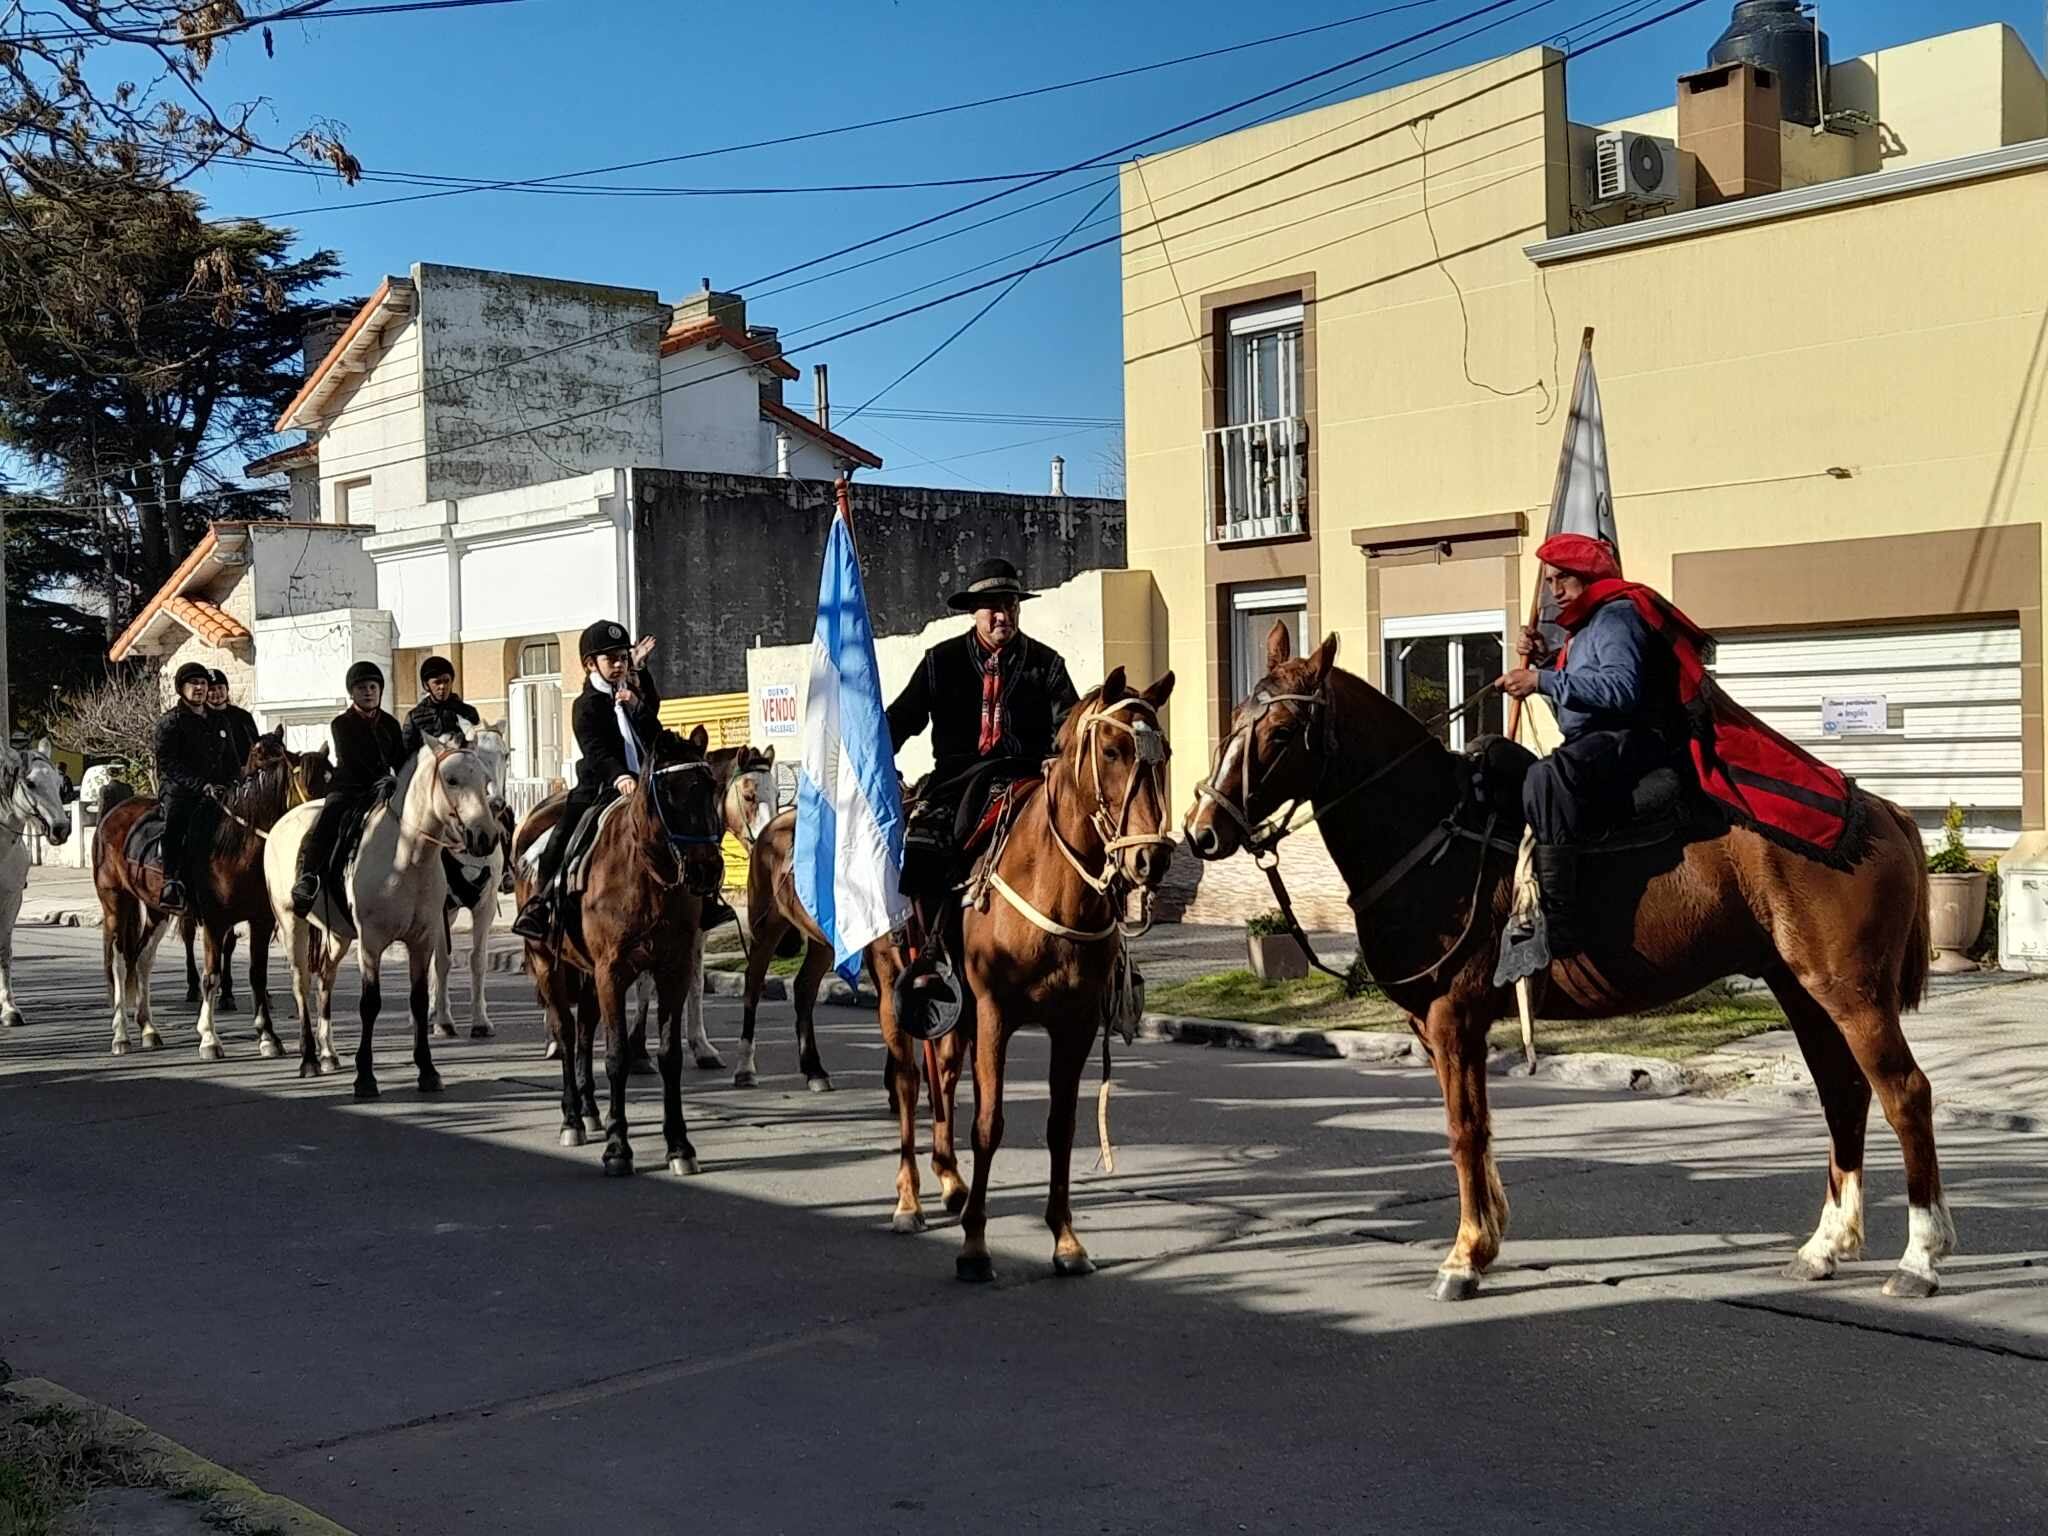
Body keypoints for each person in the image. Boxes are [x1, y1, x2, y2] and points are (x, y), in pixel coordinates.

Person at [885, 558, 1080, 1007]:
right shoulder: (941, 662)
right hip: (956, 779)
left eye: (1009, 605)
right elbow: (901, 719)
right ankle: (933, 951)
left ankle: (1101, 958)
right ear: (973, 612)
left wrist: (1058, 761)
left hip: (1027, 779)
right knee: (923, 841)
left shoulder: (1046, 664)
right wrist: (881, 767)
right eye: (992, 607)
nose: (1002, 616)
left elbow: (1070, 726)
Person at [1497, 534, 1685, 956]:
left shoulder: (1616, 618)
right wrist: (1547, 661)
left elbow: (1620, 689)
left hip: (1629, 739)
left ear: (1592, 576)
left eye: (1564, 578)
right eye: (1549, 581)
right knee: (1492, 755)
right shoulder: (1583, 629)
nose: (1554, 590)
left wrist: (1540, 679)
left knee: (1548, 776)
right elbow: (1583, 687)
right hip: (1595, 739)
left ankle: (1562, 921)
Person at [510, 621, 663, 942]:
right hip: (600, 788)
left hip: (644, 787)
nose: (619, 664)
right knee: (565, 833)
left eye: (623, 657)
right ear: (590, 664)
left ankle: (701, 898)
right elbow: (594, 748)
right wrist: (619, 776)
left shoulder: (631, 694)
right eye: (611, 659)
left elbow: (655, 733)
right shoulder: (586, 704)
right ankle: (539, 903)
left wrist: (637, 704)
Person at [290, 661, 410, 918]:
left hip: (386, 789)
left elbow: (400, 759)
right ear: (352, 693)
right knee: (329, 818)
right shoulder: (341, 723)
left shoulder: (390, 723)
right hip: (350, 787)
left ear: (380, 690)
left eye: (373, 687)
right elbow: (351, 759)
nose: (368, 692)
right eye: (361, 688)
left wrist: (401, 780)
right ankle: (308, 876)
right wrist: (380, 780)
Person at [153, 661, 238, 912]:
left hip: (218, 791)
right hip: (180, 791)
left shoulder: (220, 720)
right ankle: (172, 881)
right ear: (181, 688)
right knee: (176, 824)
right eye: (194, 683)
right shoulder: (170, 722)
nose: (200, 688)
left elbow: (231, 758)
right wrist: (201, 786)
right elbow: (168, 764)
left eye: (203, 683)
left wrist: (235, 782)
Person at [403, 655, 481, 754]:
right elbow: (407, 754)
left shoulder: (468, 712)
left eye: (446, 681)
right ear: (426, 685)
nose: (443, 686)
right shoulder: (414, 717)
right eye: (437, 682)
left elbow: (479, 746)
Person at [206, 669, 261, 770]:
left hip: (244, 774)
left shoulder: (243, 716)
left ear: (227, 689)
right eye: (212, 689)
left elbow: (254, 745)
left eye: (220, 687)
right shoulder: (201, 717)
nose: (217, 692)